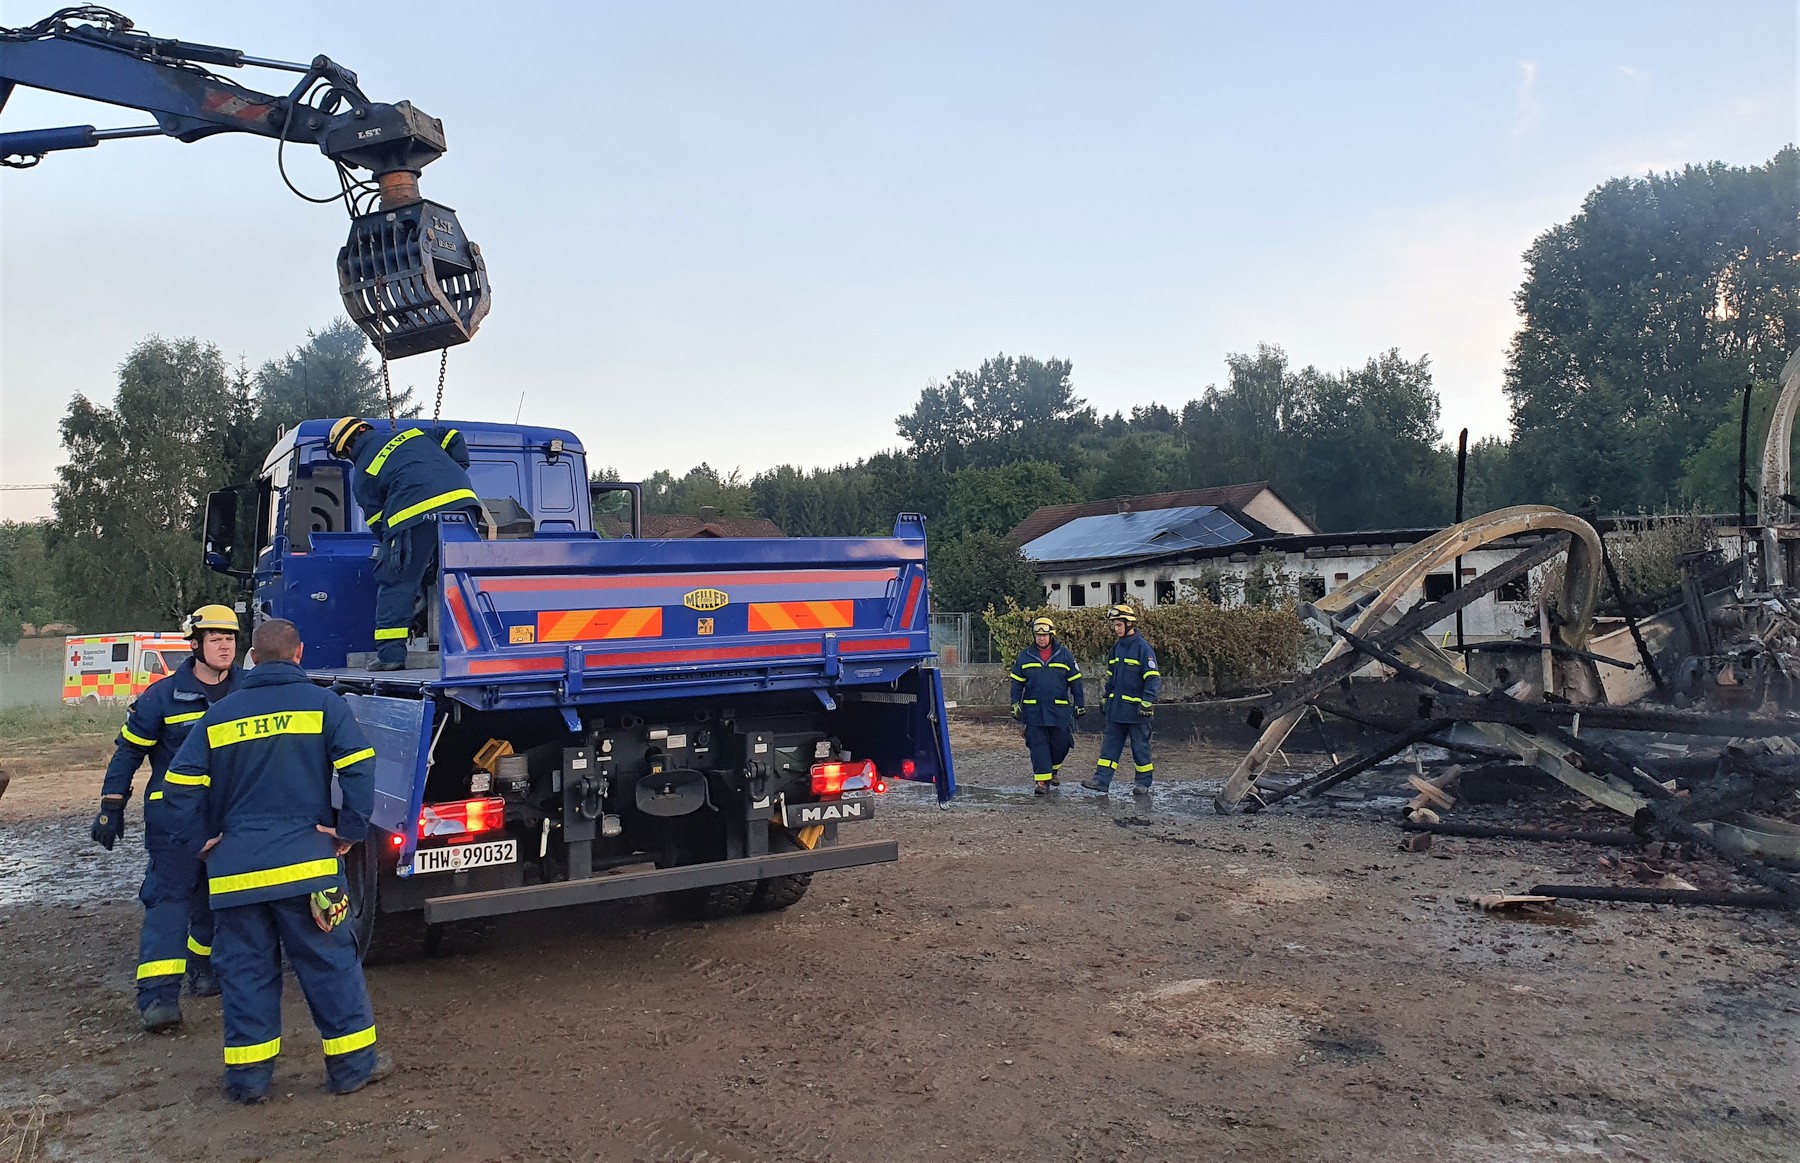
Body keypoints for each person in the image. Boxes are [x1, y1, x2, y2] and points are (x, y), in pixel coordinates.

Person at [163, 618, 391, 1103]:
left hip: (236, 875)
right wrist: (349, 829)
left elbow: (177, 788)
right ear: (299, 653)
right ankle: (352, 1069)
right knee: (331, 967)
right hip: (310, 870)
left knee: (245, 976)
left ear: (252, 658)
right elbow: (359, 767)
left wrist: (200, 841)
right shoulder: (325, 705)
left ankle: (249, 1082)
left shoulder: (220, 716)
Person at [90, 603, 242, 1031]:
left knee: (219, 902)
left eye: (229, 638)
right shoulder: (162, 696)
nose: (224, 646)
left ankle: (204, 966)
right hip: (175, 817)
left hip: (230, 818)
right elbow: (129, 752)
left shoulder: (247, 691)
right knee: (169, 901)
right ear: (195, 645)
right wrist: (110, 806)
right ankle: (157, 998)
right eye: (215, 639)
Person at [325, 416, 479, 671]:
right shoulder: (414, 434)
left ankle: (391, 655)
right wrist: (455, 468)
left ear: (347, 449)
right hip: (464, 504)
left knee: (396, 580)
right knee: (462, 579)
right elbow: (452, 435)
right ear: (365, 429)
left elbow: (377, 521)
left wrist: (391, 549)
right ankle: (475, 647)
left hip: (413, 515)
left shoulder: (364, 472)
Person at [1080, 603, 1161, 798]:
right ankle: (1101, 781)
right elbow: (1111, 677)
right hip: (1116, 710)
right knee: (1110, 746)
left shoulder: (1143, 648)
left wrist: (1147, 702)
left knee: (1140, 748)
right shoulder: (1116, 648)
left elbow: (1153, 678)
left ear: (1129, 624)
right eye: (1114, 625)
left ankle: (1143, 783)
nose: (1116, 629)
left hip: (1136, 711)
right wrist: (1105, 697)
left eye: (1118, 625)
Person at [1008, 616, 1085, 796]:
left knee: (1062, 743)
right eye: (1037, 635)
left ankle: (1053, 770)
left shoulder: (1065, 655)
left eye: (1044, 635)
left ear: (1051, 635)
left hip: (1059, 710)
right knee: (1037, 744)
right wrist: (1014, 704)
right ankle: (1042, 782)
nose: (1041, 639)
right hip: (1033, 710)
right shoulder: (1025, 656)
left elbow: (1076, 682)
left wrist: (1079, 704)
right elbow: (1016, 684)